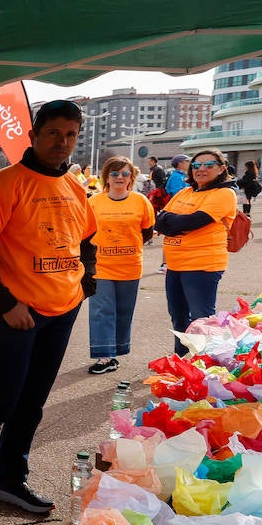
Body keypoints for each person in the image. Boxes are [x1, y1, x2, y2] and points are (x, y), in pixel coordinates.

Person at [0, 100, 97, 514]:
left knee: (32, 402)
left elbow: (86, 241)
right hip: (19, 313)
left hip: (63, 309)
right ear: (33, 135)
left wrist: (87, 280)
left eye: (70, 135)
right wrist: (4, 301)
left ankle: (11, 480)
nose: (62, 143)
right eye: (53, 133)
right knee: (2, 399)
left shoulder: (74, 186)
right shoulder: (7, 184)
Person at [154, 148, 238, 356]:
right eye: (196, 165)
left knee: (202, 319)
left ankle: (204, 363)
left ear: (222, 169)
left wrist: (173, 223)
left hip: (202, 266)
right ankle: (181, 360)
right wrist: (174, 223)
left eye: (209, 165)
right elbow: (160, 221)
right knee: (178, 316)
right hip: (174, 265)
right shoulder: (185, 192)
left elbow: (195, 221)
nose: (201, 169)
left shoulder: (224, 194)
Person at [85, 157, 155, 375]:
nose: (119, 178)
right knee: (101, 310)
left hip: (130, 266)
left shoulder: (141, 201)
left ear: (131, 178)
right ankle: (104, 356)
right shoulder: (94, 202)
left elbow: (147, 231)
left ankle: (116, 351)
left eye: (125, 174)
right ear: (106, 177)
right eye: (114, 173)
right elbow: (85, 233)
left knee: (124, 311)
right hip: (101, 266)